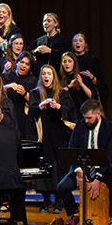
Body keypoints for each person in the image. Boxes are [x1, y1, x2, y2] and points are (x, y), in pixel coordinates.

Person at [56, 99, 112, 225]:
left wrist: (98, 178)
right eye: (84, 118)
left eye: (89, 118)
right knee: (62, 187)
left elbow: (109, 156)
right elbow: (72, 148)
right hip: (84, 167)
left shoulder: (111, 128)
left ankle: (111, 217)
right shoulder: (80, 125)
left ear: (98, 114)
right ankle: (75, 214)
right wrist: (79, 171)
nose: (86, 121)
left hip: (105, 167)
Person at [29, 64, 77, 213]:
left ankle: (58, 200)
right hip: (43, 135)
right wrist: (40, 107)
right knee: (45, 166)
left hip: (58, 134)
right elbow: (31, 112)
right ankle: (45, 200)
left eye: (49, 73)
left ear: (53, 76)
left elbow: (69, 111)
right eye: (43, 74)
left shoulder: (62, 93)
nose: (46, 76)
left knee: (58, 166)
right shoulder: (36, 93)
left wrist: (58, 107)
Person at [3, 52, 38, 140]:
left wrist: (25, 94)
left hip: (23, 119)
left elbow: (35, 102)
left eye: (27, 64)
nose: (23, 66)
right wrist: (7, 87)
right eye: (21, 62)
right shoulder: (7, 76)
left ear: (30, 67)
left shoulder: (33, 81)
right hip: (7, 115)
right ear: (17, 62)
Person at [72, 33, 108, 107]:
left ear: (85, 44)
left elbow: (101, 83)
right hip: (73, 97)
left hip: (88, 96)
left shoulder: (92, 60)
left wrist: (91, 77)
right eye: (75, 41)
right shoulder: (69, 60)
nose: (77, 43)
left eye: (80, 41)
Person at [59, 51, 98, 119]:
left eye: (69, 61)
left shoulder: (82, 77)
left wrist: (81, 84)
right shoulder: (59, 79)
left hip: (80, 113)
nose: (67, 64)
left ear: (74, 63)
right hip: (65, 113)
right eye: (64, 61)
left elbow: (92, 96)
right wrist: (69, 87)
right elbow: (57, 94)